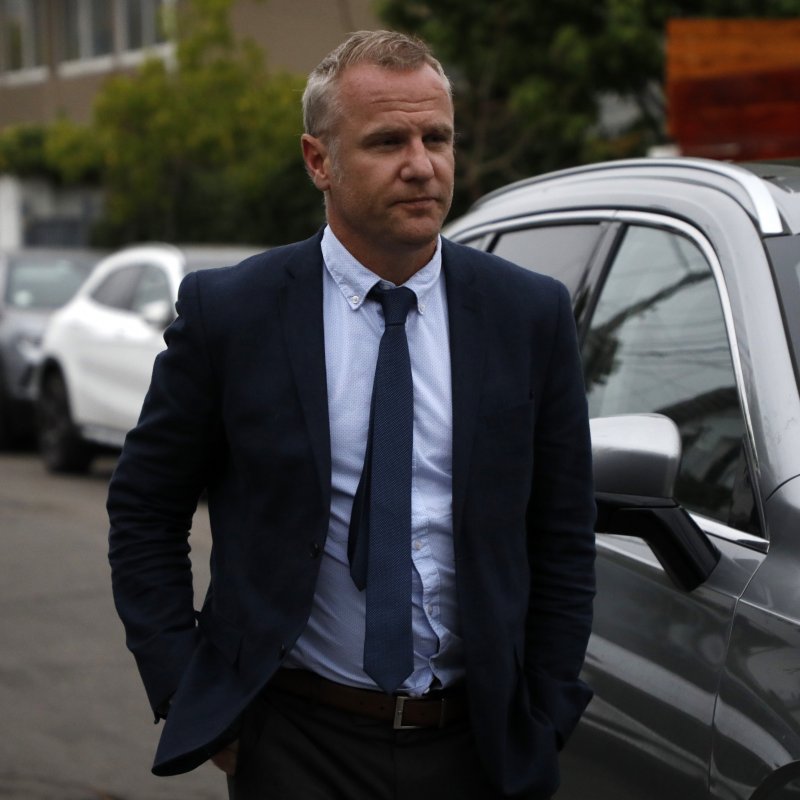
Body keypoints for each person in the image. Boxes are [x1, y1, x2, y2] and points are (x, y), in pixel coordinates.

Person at [107, 29, 596, 800]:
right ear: (318, 161)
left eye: (437, 138)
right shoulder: (232, 313)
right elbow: (145, 508)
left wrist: (546, 708)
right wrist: (189, 688)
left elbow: (563, 530)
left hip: (478, 744)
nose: (421, 165)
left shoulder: (527, 314)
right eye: (387, 141)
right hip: (295, 740)